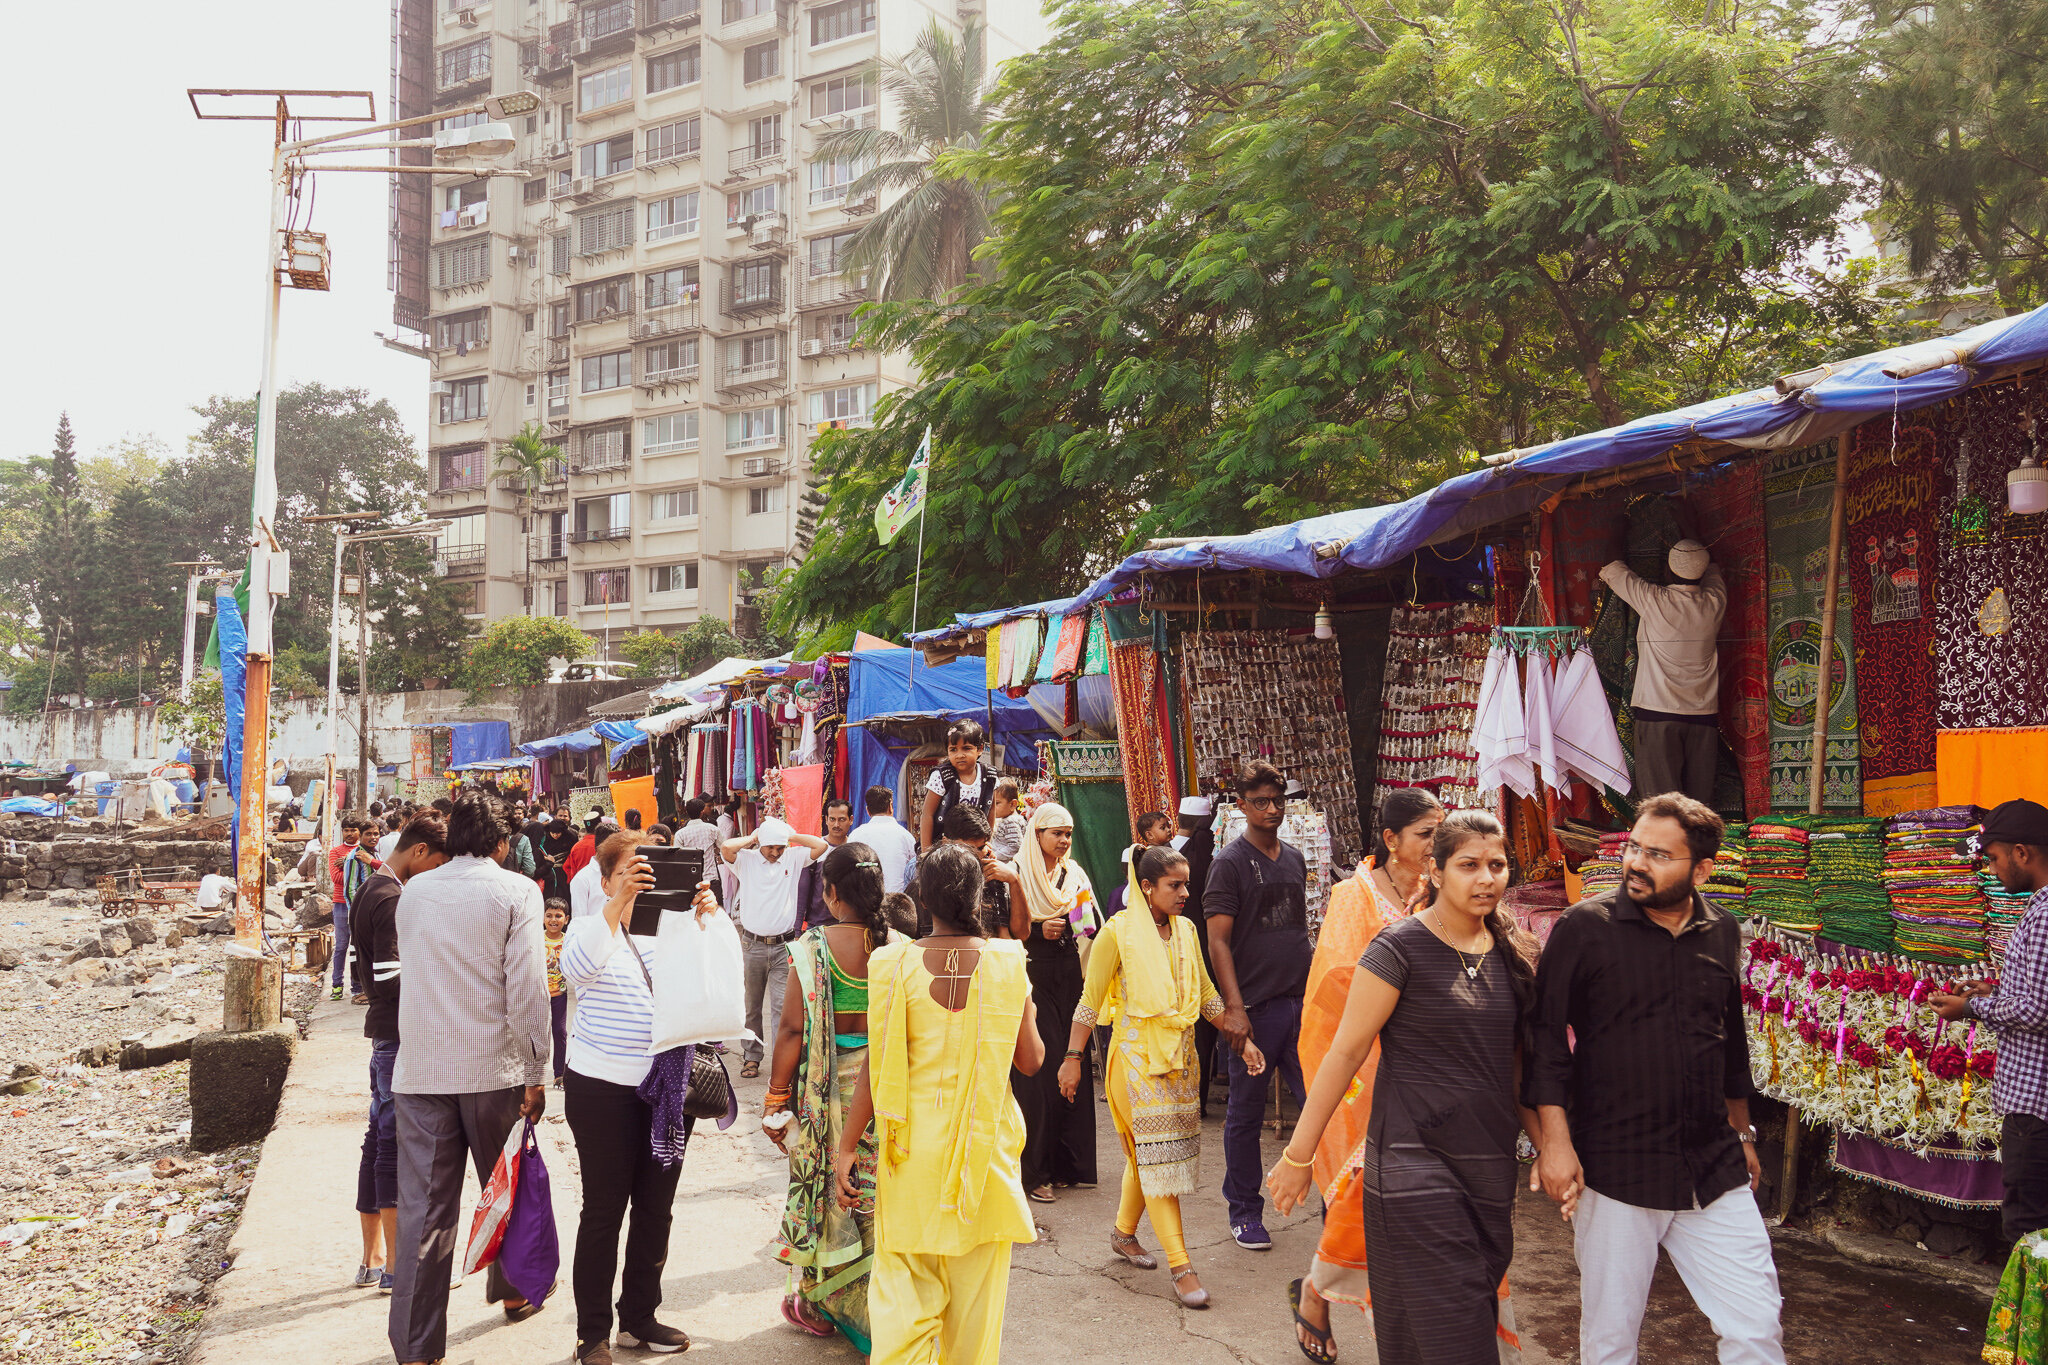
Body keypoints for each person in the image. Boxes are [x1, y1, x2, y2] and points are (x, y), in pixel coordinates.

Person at [1268, 810, 1539, 1365]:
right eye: (1469, 865)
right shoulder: (1399, 949)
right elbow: (1344, 1052)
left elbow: (1518, 1074)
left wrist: (1554, 1150)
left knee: (1419, 1336)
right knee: (1460, 1338)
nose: (1486, 878)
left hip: (1487, 1170)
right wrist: (1299, 1154)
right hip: (1413, 1166)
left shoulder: (1515, 955)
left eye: (1497, 865)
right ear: (1435, 872)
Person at [1527, 792, 1780, 1365]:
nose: (1637, 863)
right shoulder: (1584, 927)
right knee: (1611, 1340)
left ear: (1702, 869)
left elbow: (1729, 1040)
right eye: (1635, 847)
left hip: (1711, 1165)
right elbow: (1543, 1039)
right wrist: (1554, 1143)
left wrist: (1742, 1134)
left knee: (1756, 1324)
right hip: (1617, 1164)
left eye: (1659, 855)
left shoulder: (1721, 931)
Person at [834, 844, 1042, 1363]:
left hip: (911, 1157)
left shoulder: (892, 963)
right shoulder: (1006, 964)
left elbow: (874, 1072)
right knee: (975, 1319)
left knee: (903, 1305)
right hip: (984, 1157)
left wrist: (845, 1147)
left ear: (922, 897)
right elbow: (1032, 1061)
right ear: (979, 893)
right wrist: (1023, 1000)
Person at [387, 790, 551, 1365]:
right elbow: (529, 988)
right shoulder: (516, 891)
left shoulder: (414, 894)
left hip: (422, 1069)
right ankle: (513, 1292)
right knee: (504, 1187)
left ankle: (416, 1347)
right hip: (492, 1070)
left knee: (424, 1212)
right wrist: (538, 1071)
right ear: (503, 844)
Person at [1061, 845, 1262, 1309]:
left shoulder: (1188, 930)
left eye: (1187, 883)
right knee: (1159, 1166)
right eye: (1175, 885)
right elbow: (1090, 1002)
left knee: (1148, 1158)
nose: (1185, 893)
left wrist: (1240, 1039)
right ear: (1146, 886)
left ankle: (1124, 1235)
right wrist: (1073, 1057)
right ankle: (1182, 1266)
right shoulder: (1118, 931)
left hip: (1179, 1063)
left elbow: (1207, 996)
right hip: (1134, 1064)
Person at [1286, 788, 1443, 1360]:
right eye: (1426, 834)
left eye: (1439, 832)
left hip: (1424, 1073)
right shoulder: (1351, 896)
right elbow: (1331, 987)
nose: (1435, 844)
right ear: (1392, 840)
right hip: (1359, 1072)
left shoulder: (1443, 892)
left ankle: (1346, 1304)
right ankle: (1321, 1295)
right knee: (1355, 1194)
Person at [558, 831, 704, 1364]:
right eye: (629, 873)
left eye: (650, 873)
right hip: (601, 1088)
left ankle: (638, 1318)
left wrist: (705, 919)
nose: (642, 882)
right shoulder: (591, 928)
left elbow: (713, 983)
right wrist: (618, 906)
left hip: (667, 1089)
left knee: (656, 1209)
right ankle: (592, 1332)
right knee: (603, 1210)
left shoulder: (677, 928)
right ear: (604, 881)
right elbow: (573, 970)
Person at [766, 841, 894, 1349]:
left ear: (832, 891)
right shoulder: (897, 943)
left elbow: (792, 1030)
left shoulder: (812, 947)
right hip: (884, 1090)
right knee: (876, 1196)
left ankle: (822, 1302)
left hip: (831, 1097)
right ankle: (884, 1311)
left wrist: (777, 1099)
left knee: (832, 1196)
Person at [1205, 762, 1313, 1250]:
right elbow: (1218, 942)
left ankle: (1342, 1208)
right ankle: (1245, 1211)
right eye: (1261, 802)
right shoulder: (1229, 862)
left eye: (1278, 801)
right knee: (1245, 1116)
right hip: (1256, 1009)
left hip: (1300, 1003)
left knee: (1320, 1106)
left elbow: (1296, 930)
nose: (1272, 810)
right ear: (1242, 806)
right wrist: (1235, 1008)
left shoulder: (1293, 858)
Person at [1933, 800, 2048, 1246]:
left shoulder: (2043, 916)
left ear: (2022, 853)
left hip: (2035, 1103)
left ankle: (2028, 1317)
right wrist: (1994, 992)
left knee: (2029, 1230)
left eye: (1995, 858)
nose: (1992, 870)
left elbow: (2038, 1009)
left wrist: (1973, 1009)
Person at [348, 810, 451, 1295]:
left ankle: (372, 1258)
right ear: (418, 853)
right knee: (393, 1142)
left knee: (377, 1136)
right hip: (397, 1032)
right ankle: (395, 1265)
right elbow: (389, 981)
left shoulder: (374, 886)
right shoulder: (390, 898)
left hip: (384, 1034)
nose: (435, 877)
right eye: (436, 866)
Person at [991, 801, 1098, 1202]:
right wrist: (1039, 932)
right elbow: (1007, 933)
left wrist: (1067, 924)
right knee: (1041, 1067)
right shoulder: (1015, 874)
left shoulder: (1074, 874)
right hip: (1033, 973)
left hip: (1068, 974)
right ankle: (1036, 1172)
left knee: (1072, 1059)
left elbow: (1089, 924)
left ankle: (1070, 1165)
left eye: (1068, 834)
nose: (1064, 841)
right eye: (1056, 833)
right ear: (1037, 835)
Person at [1598, 539, 1728, 805]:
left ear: (1667, 572)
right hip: (1704, 719)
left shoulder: (1654, 599)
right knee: (1698, 808)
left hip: (1658, 715)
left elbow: (1612, 567)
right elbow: (1713, 568)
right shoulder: (1715, 600)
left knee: (1660, 806)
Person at [723, 817, 832, 1078]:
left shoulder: (792, 857)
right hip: (752, 944)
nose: (775, 853)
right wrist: (754, 837)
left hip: (785, 945)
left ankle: (782, 1063)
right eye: (771, 847)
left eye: (779, 848)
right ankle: (751, 1057)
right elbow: (726, 847)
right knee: (751, 1006)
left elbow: (820, 846)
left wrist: (790, 836)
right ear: (761, 844)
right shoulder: (746, 860)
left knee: (783, 1009)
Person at [919, 719, 997, 852]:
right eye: (953, 749)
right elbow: (927, 814)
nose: (959, 755)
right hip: (944, 848)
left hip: (975, 847)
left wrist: (986, 844)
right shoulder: (941, 777)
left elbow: (991, 813)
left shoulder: (989, 777)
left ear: (980, 749)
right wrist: (926, 852)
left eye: (966, 748)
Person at [796, 797, 856, 933]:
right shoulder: (814, 851)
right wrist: (797, 930)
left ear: (851, 820)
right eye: (832, 819)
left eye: (841, 819)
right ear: (826, 820)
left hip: (848, 926)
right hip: (817, 927)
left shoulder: (856, 850)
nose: (836, 825)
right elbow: (802, 891)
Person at [1104, 812, 1175, 919]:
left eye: (1168, 826)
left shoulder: (1168, 852)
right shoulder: (1151, 857)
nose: (1168, 830)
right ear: (1149, 835)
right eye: (1163, 828)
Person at [850, 785, 917, 895]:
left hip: (865, 902)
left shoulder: (856, 835)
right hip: (898, 901)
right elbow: (914, 870)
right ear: (891, 806)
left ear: (868, 811)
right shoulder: (905, 836)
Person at [570, 821, 622, 921]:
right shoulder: (582, 879)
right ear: (601, 846)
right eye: (615, 847)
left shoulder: (621, 874)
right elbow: (579, 920)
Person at [543, 899, 570, 1086]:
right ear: (543, 918)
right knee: (536, 1034)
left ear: (566, 919)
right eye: (549, 915)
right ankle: (531, 1075)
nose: (553, 920)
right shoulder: (536, 939)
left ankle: (559, 1073)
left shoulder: (569, 940)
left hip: (559, 995)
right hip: (539, 995)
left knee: (559, 1032)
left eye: (558, 916)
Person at [536, 814, 578, 902]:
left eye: (558, 833)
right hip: (549, 872)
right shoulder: (545, 838)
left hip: (564, 871)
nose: (555, 835)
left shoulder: (570, 838)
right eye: (553, 833)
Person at [988, 779, 1026, 863]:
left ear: (1013, 804)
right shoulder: (1008, 819)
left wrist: (994, 856)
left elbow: (1015, 847)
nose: (992, 807)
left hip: (1005, 865)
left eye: (997, 803)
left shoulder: (1011, 821)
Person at [564, 811, 603, 883]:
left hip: (581, 884)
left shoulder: (576, 847)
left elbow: (568, 868)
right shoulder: (603, 844)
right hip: (601, 885)